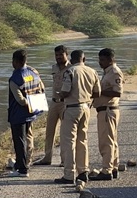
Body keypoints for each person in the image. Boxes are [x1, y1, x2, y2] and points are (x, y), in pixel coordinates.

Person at [53, 48, 99, 185]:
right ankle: (83, 171)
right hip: (86, 107)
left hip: (72, 108)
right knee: (82, 140)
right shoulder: (92, 71)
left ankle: (69, 174)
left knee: (68, 142)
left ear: (71, 60)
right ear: (84, 59)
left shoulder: (70, 71)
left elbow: (66, 91)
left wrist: (59, 95)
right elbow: (97, 92)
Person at [7, 49, 45, 176]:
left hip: (18, 115)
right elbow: (42, 88)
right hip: (32, 112)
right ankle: (24, 162)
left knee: (19, 141)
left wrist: (27, 102)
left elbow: (20, 100)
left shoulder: (15, 79)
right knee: (28, 138)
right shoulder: (33, 72)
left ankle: (22, 169)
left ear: (15, 62)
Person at [92, 48, 124, 180]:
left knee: (106, 142)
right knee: (111, 140)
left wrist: (100, 92)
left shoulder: (115, 73)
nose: (100, 62)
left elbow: (118, 92)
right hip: (105, 110)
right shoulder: (107, 72)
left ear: (111, 60)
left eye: (103, 60)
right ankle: (114, 166)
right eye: (99, 60)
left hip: (108, 110)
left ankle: (106, 170)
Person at [35, 44, 69, 167]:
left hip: (65, 103)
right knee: (49, 131)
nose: (58, 57)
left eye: (61, 54)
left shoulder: (71, 68)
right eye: (56, 55)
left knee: (65, 132)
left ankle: (65, 159)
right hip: (54, 102)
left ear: (67, 54)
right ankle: (47, 157)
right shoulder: (54, 67)